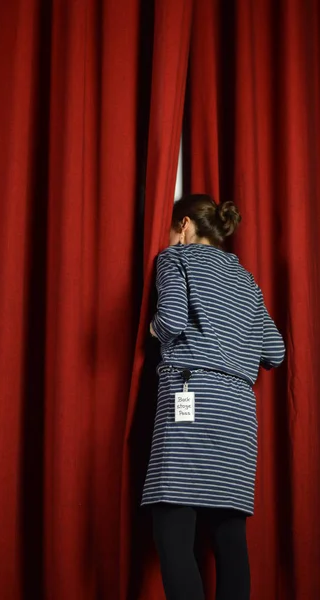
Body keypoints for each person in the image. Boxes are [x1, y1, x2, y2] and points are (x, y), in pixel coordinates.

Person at [142, 194, 285, 600]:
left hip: (193, 398)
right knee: (229, 536)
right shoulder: (246, 279)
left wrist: (153, 331)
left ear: (183, 225)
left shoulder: (175, 259)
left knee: (172, 528)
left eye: (172, 230)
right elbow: (275, 351)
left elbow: (169, 319)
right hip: (239, 414)